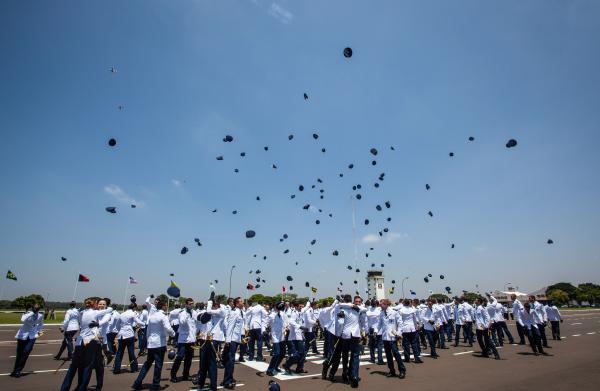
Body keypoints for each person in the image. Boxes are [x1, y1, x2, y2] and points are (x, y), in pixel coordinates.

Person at [60, 297, 113, 391]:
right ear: (96, 304)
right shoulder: (91, 312)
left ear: (106, 305)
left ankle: (98, 386)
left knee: (98, 367)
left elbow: (105, 320)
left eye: (103, 304)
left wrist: (98, 323)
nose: (101, 305)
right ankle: (80, 386)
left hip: (100, 342)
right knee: (85, 366)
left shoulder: (106, 314)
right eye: (99, 303)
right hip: (90, 341)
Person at [132, 296, 175, 391]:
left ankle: (137, 382)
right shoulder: (163, 316)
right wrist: (173, 334)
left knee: (147, 363)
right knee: (158, 365)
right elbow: (168, 328)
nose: (166, 307)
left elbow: (148, 331)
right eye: (166, 305)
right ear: (163, 306)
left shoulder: (152, 316)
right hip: (159, 343)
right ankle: (155, 385)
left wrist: (147, 341)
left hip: (151, 343)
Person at [325, 295, 366, 388]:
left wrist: (338, 334)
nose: (358, 303)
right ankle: (352, 375)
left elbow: (340, 323)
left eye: (359, 302)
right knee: (352, 355)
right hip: (352, 335)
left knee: (349, 355)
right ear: (352, 301)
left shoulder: (344, 309)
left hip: (347, 335)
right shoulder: (356, 309)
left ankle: (349, 374)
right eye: (356, 302)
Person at [196, 295, 226, 391]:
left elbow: (209, 311)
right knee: (203, 362)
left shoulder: (221, 311)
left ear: (217, 305)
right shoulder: (210, 314)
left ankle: (213, 385)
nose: (213, 307)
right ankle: (201, 383)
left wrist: (209, 302)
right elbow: (200, 319)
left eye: (214, 305)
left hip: (214, 339)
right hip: (206, 339)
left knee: (212, 364)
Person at [11, 302, 44, 377]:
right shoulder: (27, 314)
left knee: (26, 352)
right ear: (32, 308)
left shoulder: (40, 316)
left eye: (38, 308)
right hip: (22, 335)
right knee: (19, 354)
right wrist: (32, 313)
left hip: (32, 336)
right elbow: (22, 320)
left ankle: (18, 370)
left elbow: (41, 324)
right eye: (35, 308)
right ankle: (15, 370)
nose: (36, 309)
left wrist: (38, 333)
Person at [170, 297, 197, 382]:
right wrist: (187, 314)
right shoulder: (182, 313)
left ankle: (186, 374)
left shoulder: (194, 312)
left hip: (191, 339)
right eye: (189, 304)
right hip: (183, 339)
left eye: (192, 304)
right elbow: (182, 322)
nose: (191, 305)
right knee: (180, 357)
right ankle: (173, 375)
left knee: (189, 358)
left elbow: (195, 324)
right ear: (186, 305)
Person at [377, 299, 406, 378]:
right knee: (388, 355)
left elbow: (400, 323)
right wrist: (376, 331)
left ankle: (402, 370)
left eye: (381, 304)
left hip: (393, 336)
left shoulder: (394, 312)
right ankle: (391, 370)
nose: (380, 305)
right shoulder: (381, 313)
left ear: (386, 304)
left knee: (396, 353)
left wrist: (399, 333)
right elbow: (379, 324)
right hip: (385, 337)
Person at [113, 301, 142, 375]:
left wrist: (119, 331)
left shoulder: (122, 314)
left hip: (121, 334)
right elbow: (138, 322)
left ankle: (116, 368)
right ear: (134, 308)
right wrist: (145, 324)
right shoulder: (133, 314)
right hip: (129, 333)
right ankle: (134, 368)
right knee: (131, 352)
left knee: (119, 352)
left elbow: (117, 325)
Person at [222, 297, 245, 389]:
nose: (243, 303)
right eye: (241, 302)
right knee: (230, 361)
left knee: (230, 361)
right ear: (237, 303)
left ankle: (228, 378)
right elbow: (230, 326)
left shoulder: (240, 312)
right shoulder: (234, 313)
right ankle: (227, 381)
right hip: (232, 340)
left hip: (236, 339)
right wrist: (227, 340)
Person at [283, 301, 309, 374]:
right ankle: (287, 365)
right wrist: (300, 327)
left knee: (303, 354)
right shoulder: (294, 313)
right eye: (300, 306)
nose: (301, 308)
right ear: (296, 306)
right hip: (294, 337)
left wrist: (303, 332)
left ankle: (299, 368)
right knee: (297, 355)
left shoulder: (299, 312)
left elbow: (306, 307)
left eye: (302, 306)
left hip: (299, 336)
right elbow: (291, 321)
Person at [396, 299, 422, 363]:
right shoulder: (412, 310)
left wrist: (399, 330)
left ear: (404, 303)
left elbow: (400, 321)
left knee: (406, 344)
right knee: (414, 343)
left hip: (405, 328)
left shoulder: (401, 311)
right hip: (412, 328)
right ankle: (417, 358)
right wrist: (417, 327)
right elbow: (415, 320)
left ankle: (407, 358)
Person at [266, 302, 288, 376]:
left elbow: (286, 321)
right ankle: (270, 370)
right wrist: (264, 330)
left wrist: (287, 327)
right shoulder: (271, 315)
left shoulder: (282, 314)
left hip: (282, 336)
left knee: (282, 353)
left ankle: (275, 366)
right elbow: (266, 323)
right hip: (275, 337)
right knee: (277, 354)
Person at [365, 300, 384, 364]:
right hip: (379, 330)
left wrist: (366, 331)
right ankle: (380, 359)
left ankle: (372, 359)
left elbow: (366, 323)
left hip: (371, 330)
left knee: (372, 346)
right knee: (379, 346)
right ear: (377, 304)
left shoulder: (368, 312)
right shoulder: (379, 311)